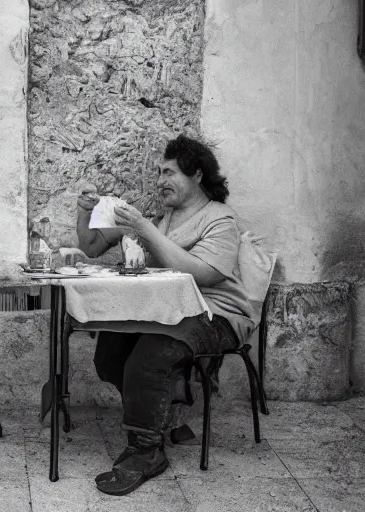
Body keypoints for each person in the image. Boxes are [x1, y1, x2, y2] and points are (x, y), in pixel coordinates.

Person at [75, 134, 256, 496]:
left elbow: (204, 274)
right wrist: (84, 211)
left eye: (169, 172)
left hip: (215, 313)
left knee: (150, 358)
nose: (160, 180)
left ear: (198, 175)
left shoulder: (221, 220)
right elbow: (91, 246)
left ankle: (146, 452)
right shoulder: (162, 218)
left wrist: (143, 229)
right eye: (159, 172)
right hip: (166, 311)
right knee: (109, 352)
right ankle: (171, 404)